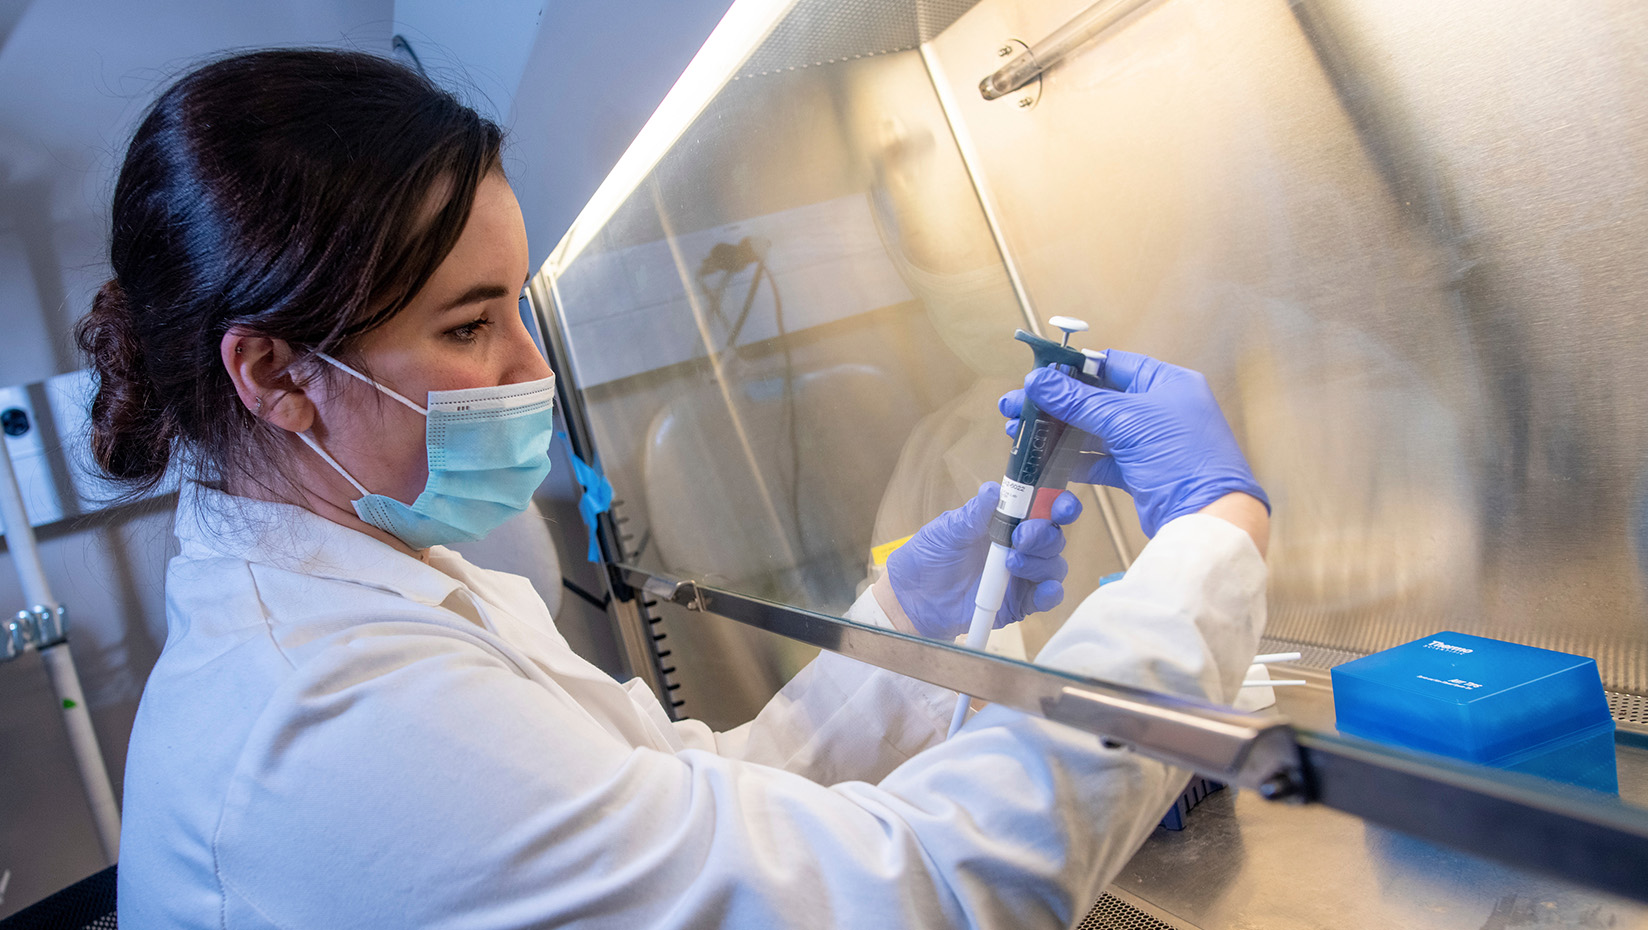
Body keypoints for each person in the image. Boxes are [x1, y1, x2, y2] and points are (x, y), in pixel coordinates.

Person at [86, 49, 1268, 929]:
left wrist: (908, 618)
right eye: (468, 323)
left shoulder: (388, 594)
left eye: (521, 308)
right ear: (278, 375)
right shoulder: (331, 713)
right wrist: (1211, 545)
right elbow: (907, 896)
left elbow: (694, 809)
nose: (532, 372)